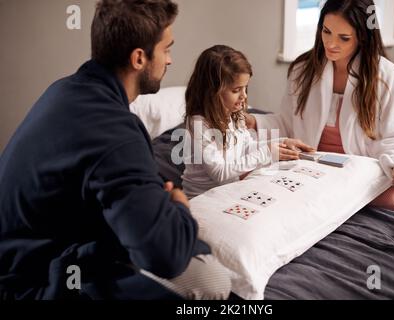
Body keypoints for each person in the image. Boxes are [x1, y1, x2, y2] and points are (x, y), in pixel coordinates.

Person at [0, 0, 231, 300]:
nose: (170, 61)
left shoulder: (64, 90)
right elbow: (166, 256)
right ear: (139, 58)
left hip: (21, 255)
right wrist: (180, 209)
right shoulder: (116, 132)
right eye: (167, 49)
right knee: (212, 280)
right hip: (32, 283)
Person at [245, 0, 394, 211]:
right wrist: (252, 121)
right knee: (251, 172)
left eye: (343, 38)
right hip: (310, 164)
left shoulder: (386, 76)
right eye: (326, 31)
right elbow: (287, 123)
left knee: (391, 197)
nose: (331, 44)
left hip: (360, 166)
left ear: (362, 37)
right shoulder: (302, 70)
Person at [181, 45, 313, 199]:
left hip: (228, 190)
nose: (243, 96)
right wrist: (267, 152)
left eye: (245, 88)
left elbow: (245, 147)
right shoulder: (198, 124)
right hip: (201, 197)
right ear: (212, 91)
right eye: (236, 90)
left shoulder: (234, 113)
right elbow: (220, 173)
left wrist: (281, 142)